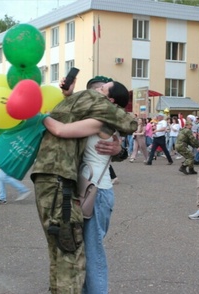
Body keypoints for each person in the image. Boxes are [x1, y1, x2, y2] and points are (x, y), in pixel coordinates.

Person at [31, 78, 136, 294]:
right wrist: (67, 96)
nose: (98, 90)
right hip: (90, 190)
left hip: (97, 193)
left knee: (92, 252)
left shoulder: (99, 121)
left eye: (102, 88)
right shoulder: (97, 115)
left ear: (109, 99)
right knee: (83, 251)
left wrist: (40, 116)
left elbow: (61, 129)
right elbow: (75, 110)